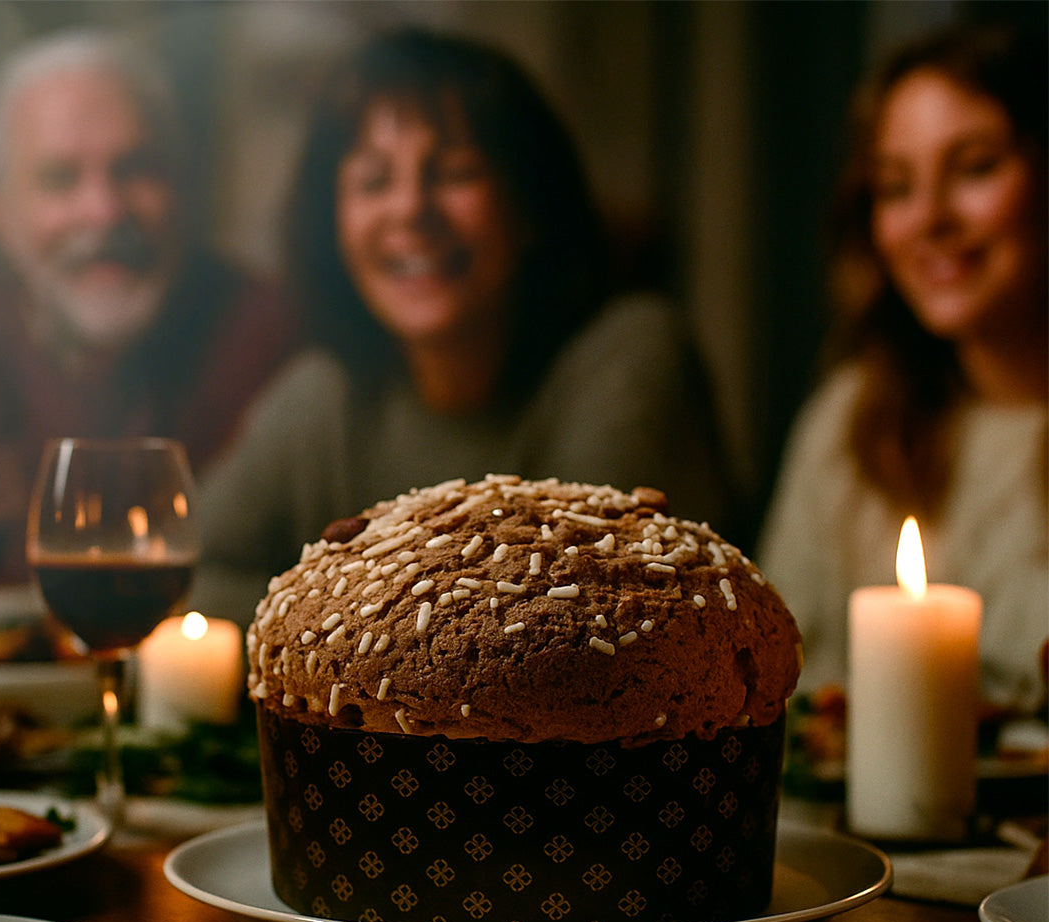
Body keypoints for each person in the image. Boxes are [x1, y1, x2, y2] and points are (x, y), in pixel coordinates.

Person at [192, 26, 734, 625]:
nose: (410, 210)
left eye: (453, 173)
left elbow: (566, 612)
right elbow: (185, 573)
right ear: (334, 228)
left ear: (529, 206)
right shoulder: (325, 396)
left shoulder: (630, 356)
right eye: (374, 182)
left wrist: (312, 612)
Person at [758, 22, 1047, 715]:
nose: (929, 219)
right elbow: (776, 690)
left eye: (975, 168)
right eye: (895, 186)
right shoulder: (851, 421)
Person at [0, 29, 300, 584]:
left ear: (183, 184)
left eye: (135, 168)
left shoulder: (275, 338)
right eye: (60, 178)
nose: (104, 210)